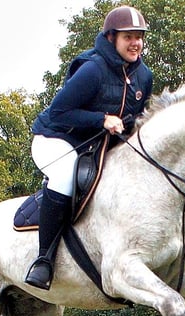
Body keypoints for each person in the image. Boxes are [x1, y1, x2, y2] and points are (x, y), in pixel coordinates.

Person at [24, 5, 154, 290]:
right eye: (128, 37)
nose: (135, 43)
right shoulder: (92, 69)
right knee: (65, 173)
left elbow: (136, 118)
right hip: (57, 138)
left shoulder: (144, 76)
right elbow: (58, 113)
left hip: (98, 145)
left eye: (139, 37)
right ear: (111, 38)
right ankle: (44, 260)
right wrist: (102, 119)